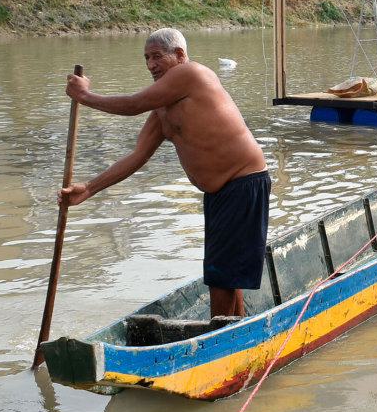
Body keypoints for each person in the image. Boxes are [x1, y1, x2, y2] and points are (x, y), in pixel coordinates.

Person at [58, 27, 270, 320]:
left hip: (242, 182)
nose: (150, 65)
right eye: (146, 58)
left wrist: (85, 96)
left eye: (156, 56)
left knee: (221, 273)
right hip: (221, 192)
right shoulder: (163, 109)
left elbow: (133, 104)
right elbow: (138, 155)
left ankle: (218, 338)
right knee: (224, 271)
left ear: (179, 55)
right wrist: (89, 188)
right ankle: (234, 328)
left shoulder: (192, 74)